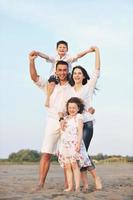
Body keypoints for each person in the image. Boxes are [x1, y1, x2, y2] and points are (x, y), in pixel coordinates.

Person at [59, 46, 102, 191]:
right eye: (75, 73)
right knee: (79, 155)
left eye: (80, 73)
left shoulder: (88, 87)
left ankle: (95, 179)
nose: (77, 75)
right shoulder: (68, 90)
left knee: (81, 153)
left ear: (83, 76)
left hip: (87, 124)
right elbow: (65, 110)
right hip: (72, 128)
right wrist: (62, 119)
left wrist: (96, 51)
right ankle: (85, 184)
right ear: (73, 76)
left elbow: (96, 71)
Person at [29, 53, 72, 190]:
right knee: (46, 152)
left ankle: (68, 185)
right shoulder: (50, 85)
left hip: (68, 123)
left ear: (68, 71)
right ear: (56, 71)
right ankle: (40, 183)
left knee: (67, 155)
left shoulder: (72, 86)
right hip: (52, 121)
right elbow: (35, 78)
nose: (62, 72)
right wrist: (31, 62)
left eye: (65, 70)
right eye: (60, 70)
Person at [32, 40, 93, 107]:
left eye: (64, 47)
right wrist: (38, 53)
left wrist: (88, 51)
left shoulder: (68, 57)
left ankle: (80, 100)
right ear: (57, 49)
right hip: (54, 76)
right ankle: (48, 98)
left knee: (74, 86)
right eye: (60, 47)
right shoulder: (54, 57)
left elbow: (78, 55)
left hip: (68, 75)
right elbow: (46, 57)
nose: (62, 49)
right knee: (51, 84)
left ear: (67, 49)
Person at [58, 97, 92, 192]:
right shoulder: (65, 118)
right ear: (67, 108)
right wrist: (61, 146)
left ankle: (77, 187)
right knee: (67, 166)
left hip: (74, 143)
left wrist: (78, 143)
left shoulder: (79, 117)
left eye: (74, 107)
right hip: (65, 145)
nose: (71, 109)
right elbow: (63, 132)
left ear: (78, 108)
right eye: (69, 108)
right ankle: (70, 187)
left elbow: (80, 131)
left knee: (74, 165)